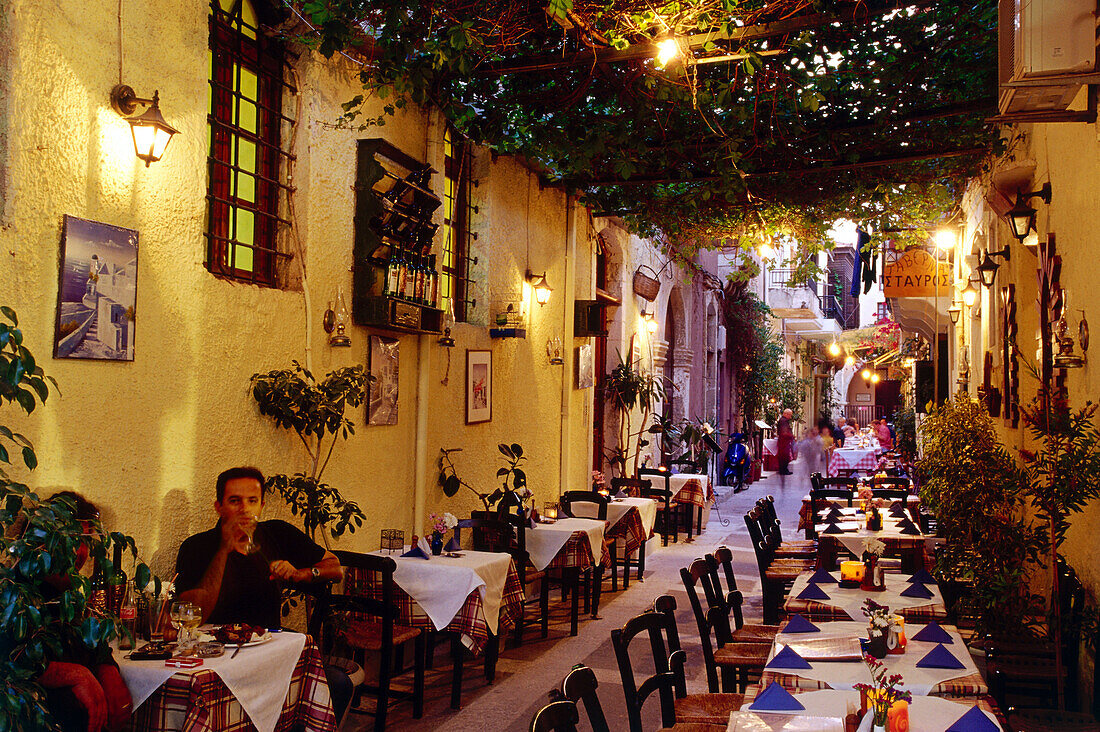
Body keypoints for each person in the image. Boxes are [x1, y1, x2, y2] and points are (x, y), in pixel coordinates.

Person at [175, 467, 352, 720]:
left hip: (269, 651)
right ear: (219, 506)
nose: (244, 509)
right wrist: (224, 551)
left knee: (337, 684)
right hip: (217, 659)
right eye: (235, 501)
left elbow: (334, 568)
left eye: (252, 501)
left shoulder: (276, 533)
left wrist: (301, 574)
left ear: (262, 505)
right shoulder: (197, 546)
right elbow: (193, 615)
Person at [38, 491, 133, 732]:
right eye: (71, 538)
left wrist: (107, 668)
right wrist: (75, 674)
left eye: (85, 540)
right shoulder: (17, 594)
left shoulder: (71, 593)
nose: (80, 552)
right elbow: (12, 663)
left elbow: (92, 645)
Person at [776, 408, 794, 477]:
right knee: (784, 456)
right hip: (784, 442)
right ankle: (783, 470)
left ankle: (784, 469)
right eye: (789, 415)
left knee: (784, 456)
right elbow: (784, 432)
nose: (790, 416)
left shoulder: (783, 420)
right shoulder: (784, 421)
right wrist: (790, 436)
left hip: (784, 441)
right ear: (785, 414)